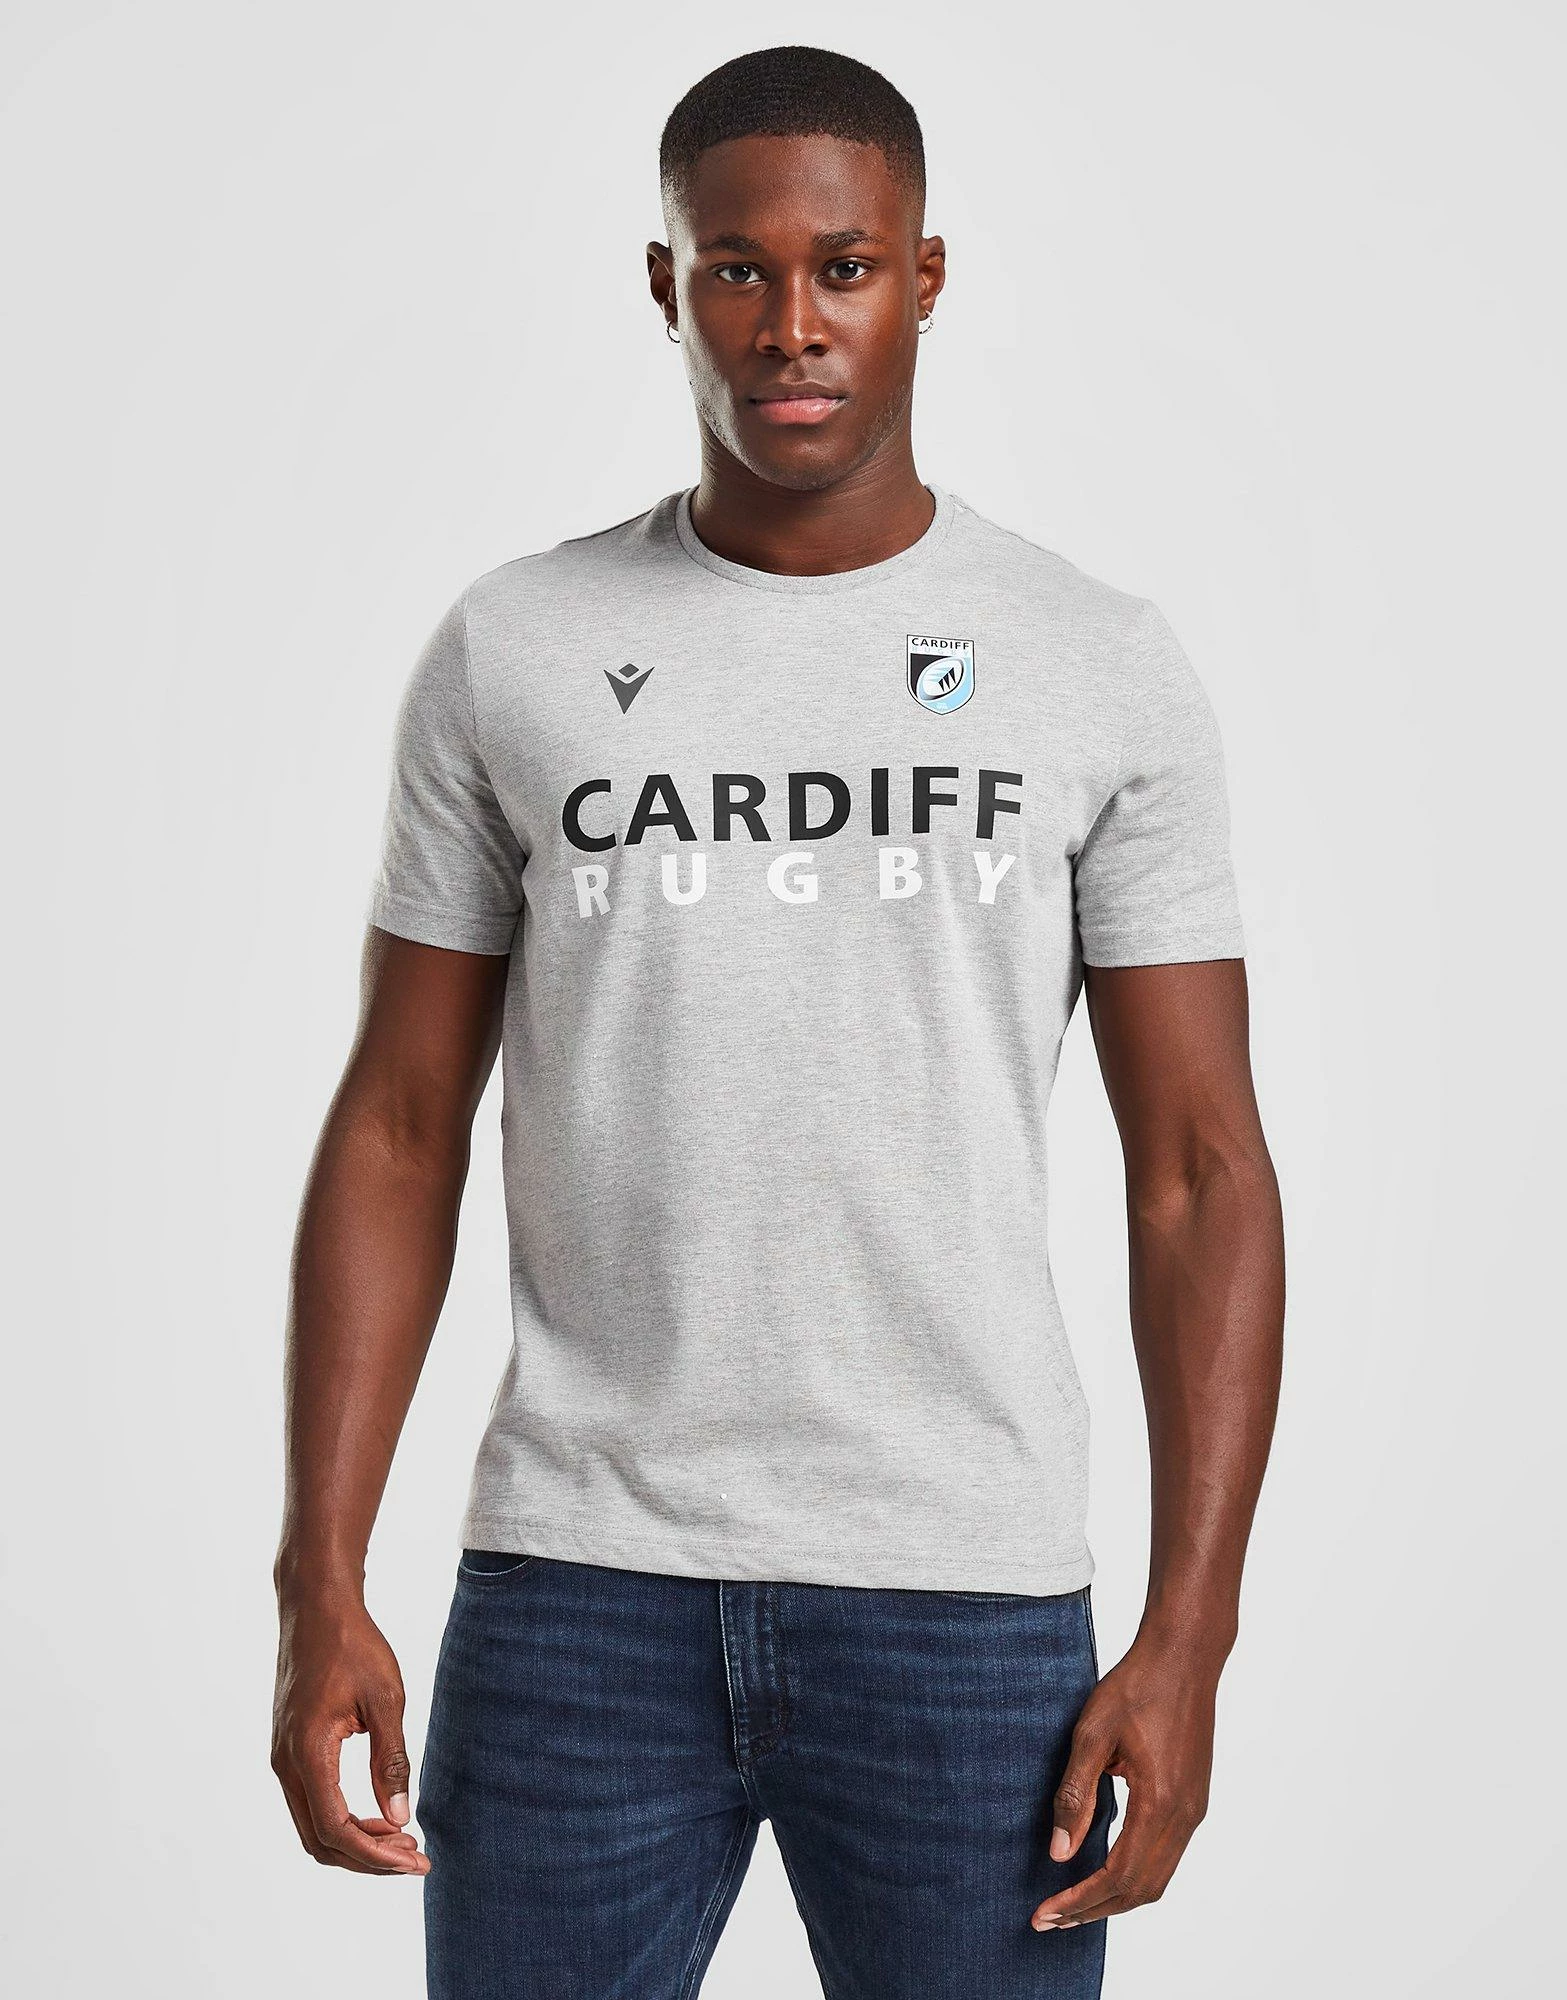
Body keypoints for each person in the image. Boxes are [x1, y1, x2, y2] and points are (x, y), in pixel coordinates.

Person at [271, 42, 1285, 2000]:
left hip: (965, 1599)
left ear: (924, 277)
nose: (791, 323)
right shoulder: (516, 648)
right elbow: (396, 1123)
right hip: (576, 1588)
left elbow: (1200, 1169)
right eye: (736, 269)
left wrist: (1194, 1632)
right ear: (667, 284)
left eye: (843, 267)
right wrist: (319, 1572)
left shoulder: (1097, 665)